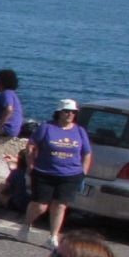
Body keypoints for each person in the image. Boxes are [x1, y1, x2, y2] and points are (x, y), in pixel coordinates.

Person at [17, 98, 91, 246]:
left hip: (70, 175)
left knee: (60, 205)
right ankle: (26, 225)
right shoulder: (47, 127)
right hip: (44, 172)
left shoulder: (79, 131)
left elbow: (87, 153)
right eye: (66, 111)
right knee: (40, 205)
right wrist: (30, 164)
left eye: (73, 112)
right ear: (59, 112)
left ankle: (53, 237)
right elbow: (31, 145)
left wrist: (83, 172)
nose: (70, 114)